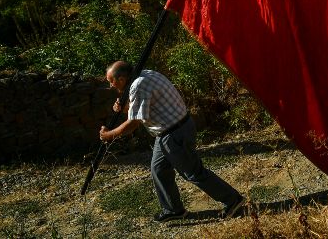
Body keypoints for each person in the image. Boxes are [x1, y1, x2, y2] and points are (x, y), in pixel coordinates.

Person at [99, 61, 245, 222]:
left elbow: (133, 124)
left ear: (121, 78)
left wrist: (109, 135)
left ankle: (233, 200)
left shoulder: (138, 85)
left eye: (111, 82)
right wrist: (125, 107)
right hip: (169, 131)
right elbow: (143, 107)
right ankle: (173, 209)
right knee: (159, 170)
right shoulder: (145, 74)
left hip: (174, 134)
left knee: (193, 172)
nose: (111, 86)